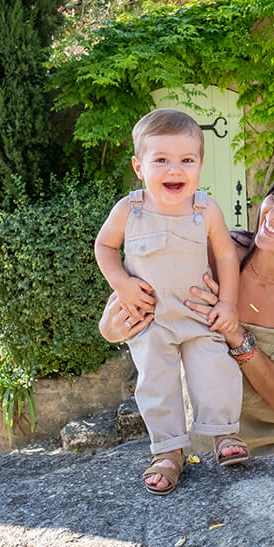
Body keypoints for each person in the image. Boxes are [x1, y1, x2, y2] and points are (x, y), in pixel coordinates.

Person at [100, 157, 274, 494]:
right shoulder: (213, 256)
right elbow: (114, 322)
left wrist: (236, 335)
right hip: (197, 455)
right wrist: (117, 324)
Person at [95, 108, 247, 495]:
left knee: (215, 368)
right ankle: (168, 451)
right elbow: (105, 247)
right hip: (150, 318)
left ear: (200, 165)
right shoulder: (129, 210)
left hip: (197, 312)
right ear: (139, 166)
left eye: (186, 160)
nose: (174, 169)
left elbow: (227, 257)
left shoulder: (205, 208)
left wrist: (227, 304)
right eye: (160, 159)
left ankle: (223, 434)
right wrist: (122, 284)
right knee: (156, 382)